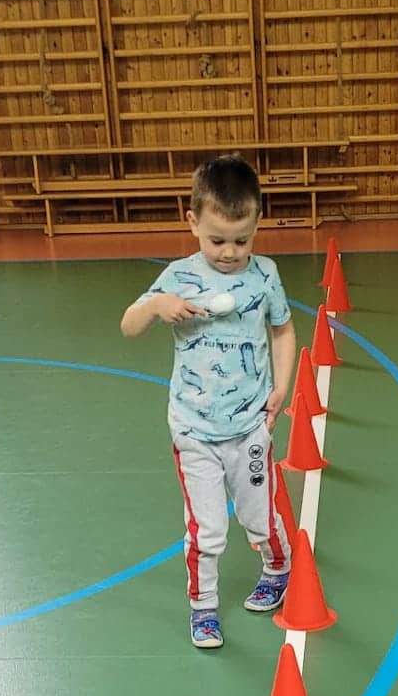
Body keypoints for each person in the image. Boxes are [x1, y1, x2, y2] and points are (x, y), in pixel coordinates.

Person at [120, 155, 296, 649]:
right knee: (207, 530)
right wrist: (157, 305)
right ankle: (203, 608)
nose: (229, 252)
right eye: (217, 240)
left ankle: (278, 568)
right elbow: (128, 326)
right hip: (194, 430)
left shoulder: (265, 275)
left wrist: (281, 387)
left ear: (257, 225)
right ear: (192, 222)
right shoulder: (177, 277)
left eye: (242, 240)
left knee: (260, 518)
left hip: (250, 426)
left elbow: (282, 331)